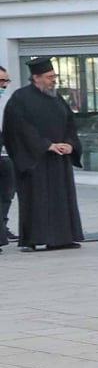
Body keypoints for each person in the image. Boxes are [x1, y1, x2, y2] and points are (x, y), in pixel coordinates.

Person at [1, 57, 84, 251]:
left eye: (54, 76)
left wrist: (70, 144)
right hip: (34, 160)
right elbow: (18, 129)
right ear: (36, 77)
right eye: (49, 77)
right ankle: (32, 240)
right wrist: (46, 145)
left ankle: (62, 239)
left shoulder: (57, 98)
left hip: (59, 160)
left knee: (61, 199)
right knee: (36, 200)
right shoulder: (20, 98)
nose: (53, 80)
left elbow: (70, 123)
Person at [0, 62, 15, 251]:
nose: (3, 85)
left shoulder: (7, 101)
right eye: (0, 81)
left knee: (7, 195)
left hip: (7, 155)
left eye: (6, 81)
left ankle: (3, 227)